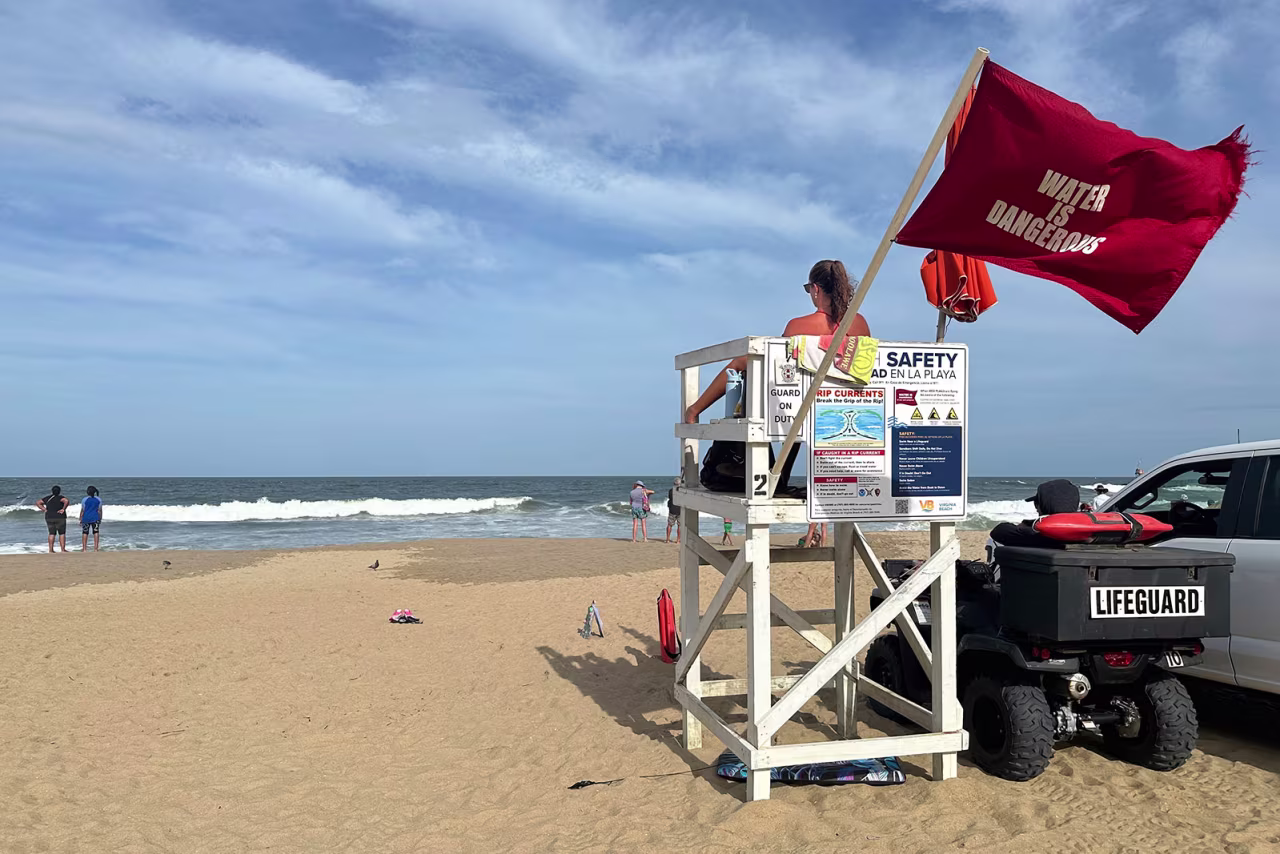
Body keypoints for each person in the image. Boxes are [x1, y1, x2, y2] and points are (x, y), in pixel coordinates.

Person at [683, 260, 870, 424]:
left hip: (803, 408)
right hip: (851, 403)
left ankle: (695, 410)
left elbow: (777, 363)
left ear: (816, 289)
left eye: (808, 289)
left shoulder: (798, 326)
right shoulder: (860, 323)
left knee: (742, 362)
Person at [988, 479, 1082, 555]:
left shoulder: (1038, 537)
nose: (1036, 509)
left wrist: (1026, 528)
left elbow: (999, 531)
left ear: (1043, 505)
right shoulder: (1088, 535)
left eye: (1036, 504)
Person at [35, 485, 69, 554]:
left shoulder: (48, 498)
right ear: (59, 491)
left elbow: (38, 502)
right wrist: (63, 509)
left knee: (51, 533)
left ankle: (51, 550)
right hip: (60, 517)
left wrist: (43, 509)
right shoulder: (60, 498)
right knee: (62, 533)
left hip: (49, 517)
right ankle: (62, 549)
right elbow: (66, 501)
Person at [80, 486, 103, 552]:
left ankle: (84, 549)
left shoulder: (84, 499)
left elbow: (83, 510)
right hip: (95, 517)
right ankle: (96, 548)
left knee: (85, 532)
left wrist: (80, 519)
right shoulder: (99, 499)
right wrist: (100, 518)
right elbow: (99, 510)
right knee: (96, 532)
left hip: (86, 518)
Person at [665, 478, 682, 544]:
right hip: (680, 509)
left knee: (670, 524)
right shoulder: (681, 491)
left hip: (672, 509)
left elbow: (670, 498)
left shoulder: (671, 491)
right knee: (679, 525)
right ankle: (678, 540)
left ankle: (668, 539)